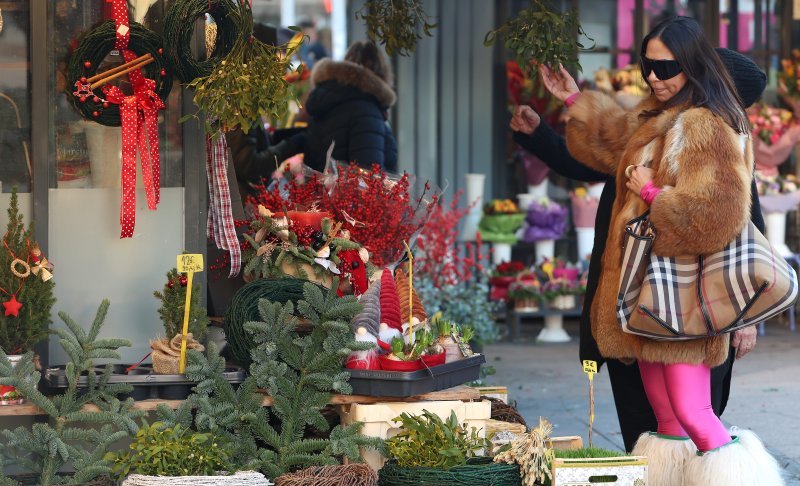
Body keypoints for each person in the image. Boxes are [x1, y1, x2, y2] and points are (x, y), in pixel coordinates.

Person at [513, 17, 782, 486]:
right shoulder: (660, 119)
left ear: (694, 65)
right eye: (647, 65)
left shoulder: (704, 125)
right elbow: (612, 136)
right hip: (651, 298)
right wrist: (573, 99)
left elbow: (714, 218)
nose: (654, 76)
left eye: (666, 66)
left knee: (693, 414)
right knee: (666, 420)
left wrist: (654, 194)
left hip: (686, 298)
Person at [299, 40, 398, 172]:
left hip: (319, 190)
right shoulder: (367, 111)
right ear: (382, 72)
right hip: (343, 192)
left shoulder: (327, 101)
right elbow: (369, 179)